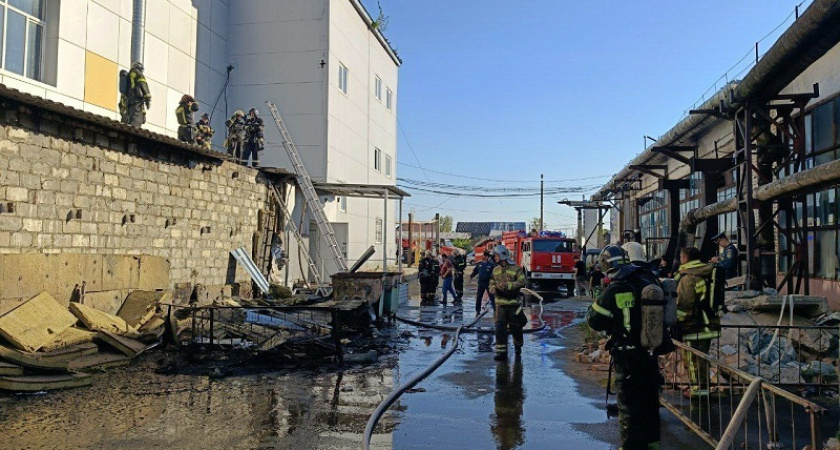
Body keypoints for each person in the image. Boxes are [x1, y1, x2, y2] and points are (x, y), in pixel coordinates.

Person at [586, 245, 663, 450]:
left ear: (605, 265)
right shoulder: (646, 280)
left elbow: (594, 320)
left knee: (628, 406)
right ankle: (653, 444)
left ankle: (630, 446)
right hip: (650, 352)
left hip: (627, 357)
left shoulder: (614, 289)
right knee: (649, 400)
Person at [675, 246, 720, 397]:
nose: (680, 261)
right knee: (701, 359)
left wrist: (675, 321)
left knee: (692, 360)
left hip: (693, 326)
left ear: (686, 259)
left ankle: (698, 391)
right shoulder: (705, 273)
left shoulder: (688, 278)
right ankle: (703, 389)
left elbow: (684, 305)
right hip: (709, 324)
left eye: (681, 257)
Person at [489, 244, 527, 361]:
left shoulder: (516, 269)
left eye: (495, 255)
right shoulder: (495, 270)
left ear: (502, 256)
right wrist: (493, 288)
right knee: (499, 329)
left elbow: (522, 282)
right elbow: (491, 283)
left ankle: (518, 345)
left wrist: (509, 286)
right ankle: (502, 353)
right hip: (500, 305)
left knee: (516, 329)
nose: (494, 258)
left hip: (513, 305)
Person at [491, 358, 525, 449]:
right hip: (508, 408)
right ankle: (510, 355)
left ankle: (504, 358)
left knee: (508, 383)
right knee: (514, 384)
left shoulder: (502, 438)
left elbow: (495, 427)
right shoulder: (513, 439)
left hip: (506, 409)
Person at [121, 62, 151, 127]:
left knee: (131, 122)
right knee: (135, 124)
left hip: (130, 104)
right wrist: (148, 99)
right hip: (136, 102)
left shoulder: (129, 76)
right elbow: (143, 84)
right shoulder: (136, 72)